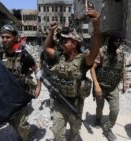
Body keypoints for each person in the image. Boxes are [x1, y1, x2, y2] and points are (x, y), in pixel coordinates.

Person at [44, 8, 100, 141]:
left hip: (75, 105)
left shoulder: (83, 60)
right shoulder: (60, 56)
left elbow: (94, 51)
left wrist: (96, 26)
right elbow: (46, 48)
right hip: (59, 103)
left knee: (74, 134)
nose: (62, 44)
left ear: (74, 43)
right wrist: (51, 32)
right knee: (58, 135)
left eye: (65, 42)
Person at [0, 24, 42, 141]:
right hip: (7, 96)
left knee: (21, 123)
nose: (4, 40)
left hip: (21, 95)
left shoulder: (24, 55)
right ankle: (21, 136)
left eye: (8, 37)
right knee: (12, 121)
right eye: (3, 37)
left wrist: (39, 86)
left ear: (15, 37)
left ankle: (27, 138)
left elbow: (37, 70)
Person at [90, 32, 126, 141]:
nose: (117, 45)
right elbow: (92, 68)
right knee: (99, 108)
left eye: (119, 43)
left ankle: (107, 128)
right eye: (115, 42)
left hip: (113, 88)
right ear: (111, 41)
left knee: (115, 110)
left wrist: (125, 82)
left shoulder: (121, 54)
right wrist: (96, 85)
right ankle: (97, 119)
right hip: (101, 86)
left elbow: (123, 69)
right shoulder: (102, 52)